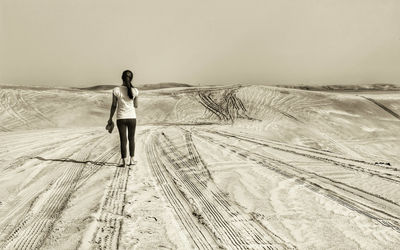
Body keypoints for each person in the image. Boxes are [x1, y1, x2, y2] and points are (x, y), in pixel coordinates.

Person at [107, 70, 139, 167]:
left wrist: (110, 118)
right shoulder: (135, 91)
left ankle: (124, 162)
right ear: (132, 78)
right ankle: (132, 160)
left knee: (123, 139)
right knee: (131, 138)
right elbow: (136, 105)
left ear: (122, 77)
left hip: (121, 118)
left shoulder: (116, 90)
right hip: (132, 117)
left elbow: (113, 105)